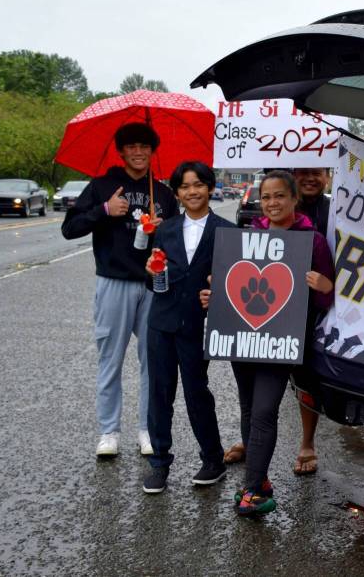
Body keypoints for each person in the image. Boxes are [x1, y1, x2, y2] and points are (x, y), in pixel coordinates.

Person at [201, 170, 335, 516]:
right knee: (249, 409)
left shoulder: (313, 240)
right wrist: (215, 295)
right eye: (267, 196)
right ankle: (258, 482)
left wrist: (325, 287)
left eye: (280, 196)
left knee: (264, 410)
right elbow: (230, 289)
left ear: (294, 200)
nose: (273, 203)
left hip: (282, 341)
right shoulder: (246, 237)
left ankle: (252, 490)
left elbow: (326, 301)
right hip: (243, 338)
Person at [62, 122, 178, 458]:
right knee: (110, 359)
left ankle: (147, 429)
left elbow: (176, 243)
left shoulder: (164, 194)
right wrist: (104, 210)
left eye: (145, 146)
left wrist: (162, 229)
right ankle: (108, 432)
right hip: (113, 282)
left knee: (152, 361)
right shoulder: (102, 186)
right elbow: (69, 228)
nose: (139, 152)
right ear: (121, 151)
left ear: (153, 151)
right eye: (132, 146)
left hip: (153, 285)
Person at [141, 161, 233, 494]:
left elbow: (236, 286)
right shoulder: (164, 230)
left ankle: (213, 459)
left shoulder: (227, 231)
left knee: (197, 393)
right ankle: (160, 462)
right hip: (161, 323)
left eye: (198, 184)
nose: (192, 191)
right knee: (159, 393)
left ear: (210, 187)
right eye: (184, 186)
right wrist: (152, 274)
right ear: (176, 192)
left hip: (197, 324)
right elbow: (153, 282)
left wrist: (218, 294)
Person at [290, 166, 332, 475]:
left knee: (308, 380)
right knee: (259, 381)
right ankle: (249, 441)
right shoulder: (279, 207)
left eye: (315, 172)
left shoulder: (340, 210)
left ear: (328, 175)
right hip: (276, 307)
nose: (309, 178)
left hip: (322, 309)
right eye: (301, 172)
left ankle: (307, 442)